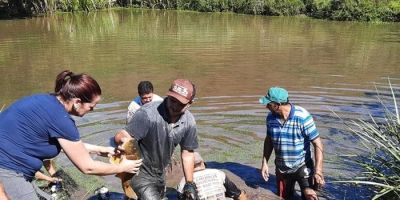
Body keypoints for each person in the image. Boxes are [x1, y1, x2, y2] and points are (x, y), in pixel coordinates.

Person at [0, 70, 142, 200]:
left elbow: (65, 145)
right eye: (91, 106)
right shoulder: (61, 119)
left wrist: (102, 150)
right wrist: (123, 167)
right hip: (8, 168)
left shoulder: (48, 102)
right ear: (77, 102)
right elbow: (88, 167)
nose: (92, 110)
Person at [116, 79, 199, 200]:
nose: (174, 105)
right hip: (139, 173)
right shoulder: (147, 114)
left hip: (160, 174)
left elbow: (187, 153)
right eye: (172, 100)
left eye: (179, 103)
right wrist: (124, 141)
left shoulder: (189, 121)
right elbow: (121, 135)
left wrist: (190, 183)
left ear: (190, 103)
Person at [259, 87, 325, 200]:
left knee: (310, 197)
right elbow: (269, 140)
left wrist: (318, 171)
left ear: (277, 105)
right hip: (282, 169)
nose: (266, 107)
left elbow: (317, 144)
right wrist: (264, 162)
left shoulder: (303, 117)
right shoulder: (270, 118)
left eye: (269, 104)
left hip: (302, 166)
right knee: (284, 198)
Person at [177, 152, 248, 200]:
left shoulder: (184, 182)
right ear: (203, 163)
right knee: (240, 193)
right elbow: (239, 195)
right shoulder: (218, 173)